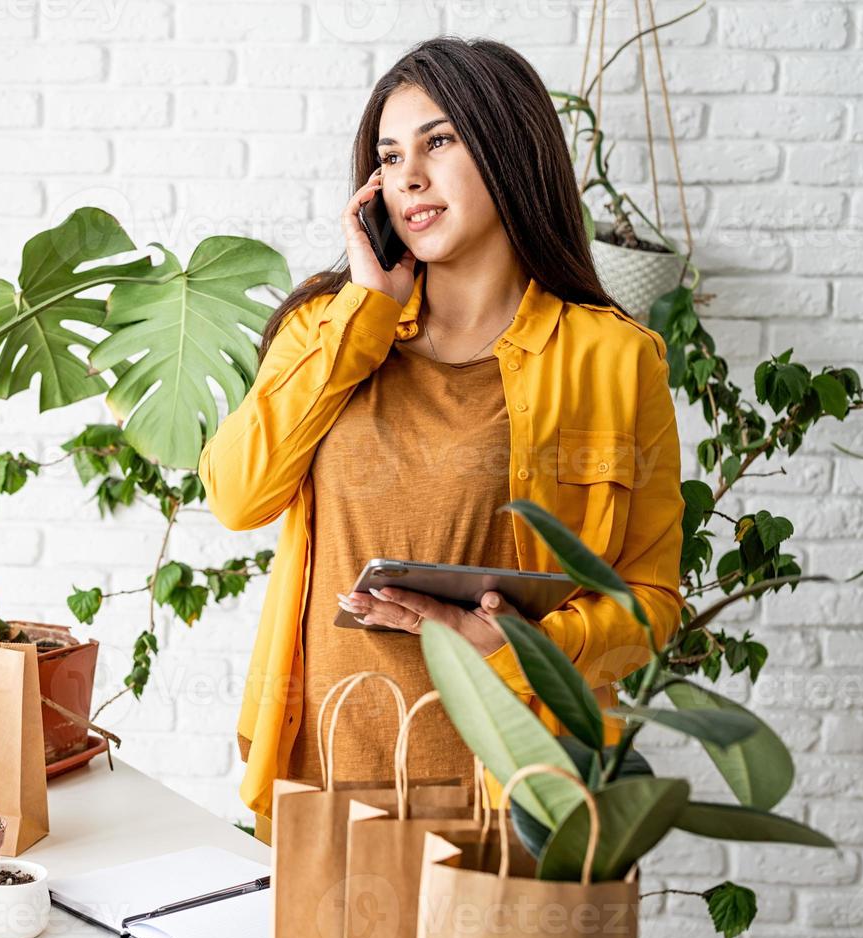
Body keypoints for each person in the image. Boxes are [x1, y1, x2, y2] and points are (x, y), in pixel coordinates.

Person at [197, 37, 687, 845]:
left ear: (509, 148)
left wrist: (522, 642)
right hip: (320, 780)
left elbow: (650, 607)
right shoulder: (329, 328)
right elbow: (238, 494)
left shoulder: (613, 359)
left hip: (513, 796)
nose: (409, 177)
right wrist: (365, 313)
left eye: (439, 141)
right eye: (389, 157)